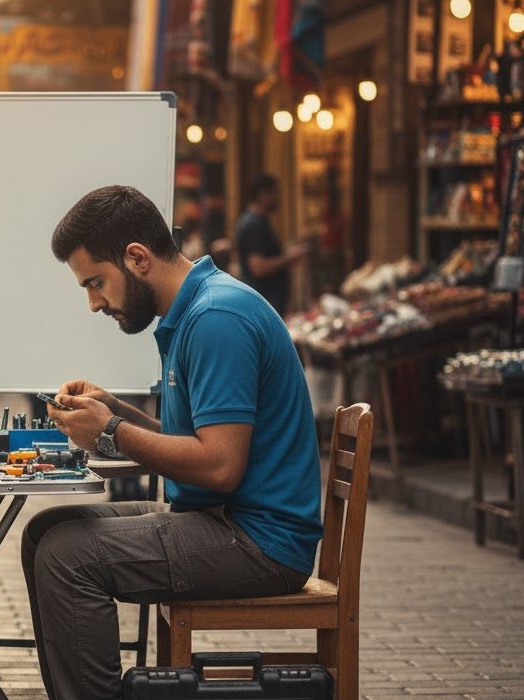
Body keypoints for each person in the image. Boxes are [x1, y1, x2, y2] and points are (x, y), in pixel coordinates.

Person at [22, 185, 322, 699]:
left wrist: (111, 434)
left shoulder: (215, 320)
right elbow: (193, 445)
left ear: (136, 257)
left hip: (260, 541)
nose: (95, 303)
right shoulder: (197, 311)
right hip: (223, 518)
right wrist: (115, 411)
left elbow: (220, 466)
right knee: (46, 531)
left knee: (67, 556)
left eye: (96, 283)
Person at [235, 173, 309, 316]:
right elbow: (258, 267)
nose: (278, 198)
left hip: (265, 302)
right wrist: (290, 257)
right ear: (263, 194)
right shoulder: (254, 224)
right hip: (263, 302)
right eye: (275, 193)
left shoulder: (256, 221)